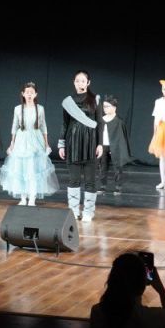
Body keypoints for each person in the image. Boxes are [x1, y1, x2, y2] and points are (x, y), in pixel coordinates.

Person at [0, 82, 59, 206]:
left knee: (32, 170)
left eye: (32, 92)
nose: (29, 95)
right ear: (23, 94)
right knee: (21, 170)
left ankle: (32, 198)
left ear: (35, 94)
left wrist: (46, 144)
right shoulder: (17, 109)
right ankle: (23, 198)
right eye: (27, 92)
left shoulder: (40, 108)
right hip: (21, 140)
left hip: (35, 140)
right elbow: (14, 126)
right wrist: (12, 143)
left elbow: (43, 126)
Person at [59, 70, 104, 222]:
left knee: (90, 180)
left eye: (83, 81)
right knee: (74, 180)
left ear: (88, 82)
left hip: (91, 143)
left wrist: (100, 144)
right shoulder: (68, 102)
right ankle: (73, 210)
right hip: (73, 143)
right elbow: (64, 124)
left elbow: (100, 123)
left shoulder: (95, 100)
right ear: (74, 82)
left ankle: (88, 212)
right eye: (77, 81)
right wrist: (61, 145)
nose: (80, 83)